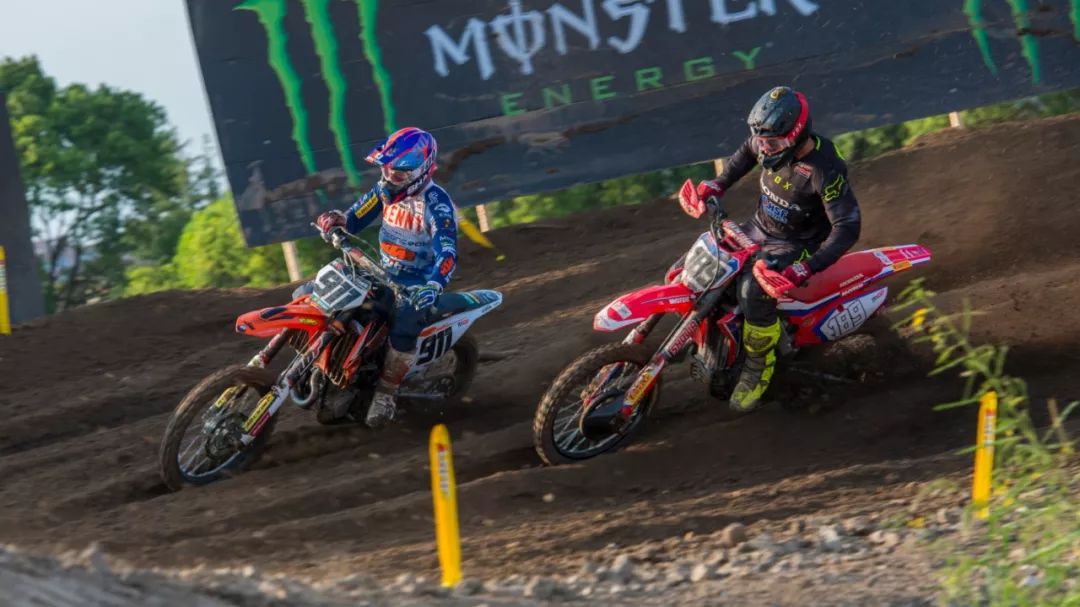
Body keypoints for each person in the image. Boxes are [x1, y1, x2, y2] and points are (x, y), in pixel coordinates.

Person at [696, 86, 861, 412]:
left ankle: (759, 364)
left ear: (796, 135)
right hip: (757, 229)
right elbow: (747, 151)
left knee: (752, 290)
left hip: (797, 244)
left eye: (773, 144)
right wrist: (718, 183)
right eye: (762, 141)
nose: (765, 149)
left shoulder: (825, 168)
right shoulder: (764, 143)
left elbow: (848, 227)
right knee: (702, 265)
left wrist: (805, 267)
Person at [315, 127, 457, 428]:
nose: (390, 177)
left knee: (404, 326)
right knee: (327, 295)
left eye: (399, 173)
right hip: (380, 269)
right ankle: (338, 367)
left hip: (416, 283)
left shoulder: (436, 204)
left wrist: (433, 285)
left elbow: (447, 253)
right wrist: (336, 220)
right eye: (387, 169)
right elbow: (354, 218)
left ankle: (386, 393)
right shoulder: (384, 190)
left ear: (421, 170)